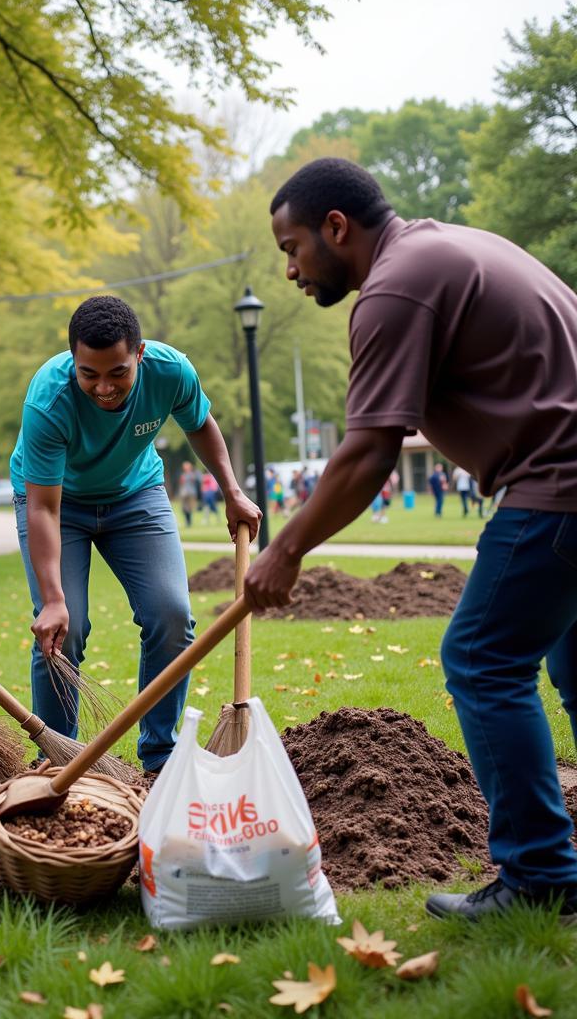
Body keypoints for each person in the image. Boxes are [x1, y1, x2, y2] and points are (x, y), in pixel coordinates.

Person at [245, 157, 577, 923]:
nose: (290, 270)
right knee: (571, 659)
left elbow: (369, 452)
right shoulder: (451, 248)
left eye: (292, 247)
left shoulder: (396, 286)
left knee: (482, 659)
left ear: (337, 228)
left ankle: (539, 874)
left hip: (557, 488)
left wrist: (285, 550)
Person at [9, 295, 261, 773]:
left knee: (172, 614)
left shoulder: (171, 371)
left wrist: (231, 490)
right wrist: (53, 598)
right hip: (58, 505)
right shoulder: (48, 398)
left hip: (135, 494)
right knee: (66, 624)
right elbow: (42, 507)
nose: (103, 388)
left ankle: (160, 755)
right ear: (73, 362)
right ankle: (57, 758)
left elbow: (200, 423)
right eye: (89, 374)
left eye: (117, 373)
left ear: (140, 354)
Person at [177, 461, 200, 527]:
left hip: (191, 493)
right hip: (184, 493)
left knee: (189, 508)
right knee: (184, 508)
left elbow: (196, 481)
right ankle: (187, 521)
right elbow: (181, 483)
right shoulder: (183, 475)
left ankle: (189, 522)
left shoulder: (192, 474)